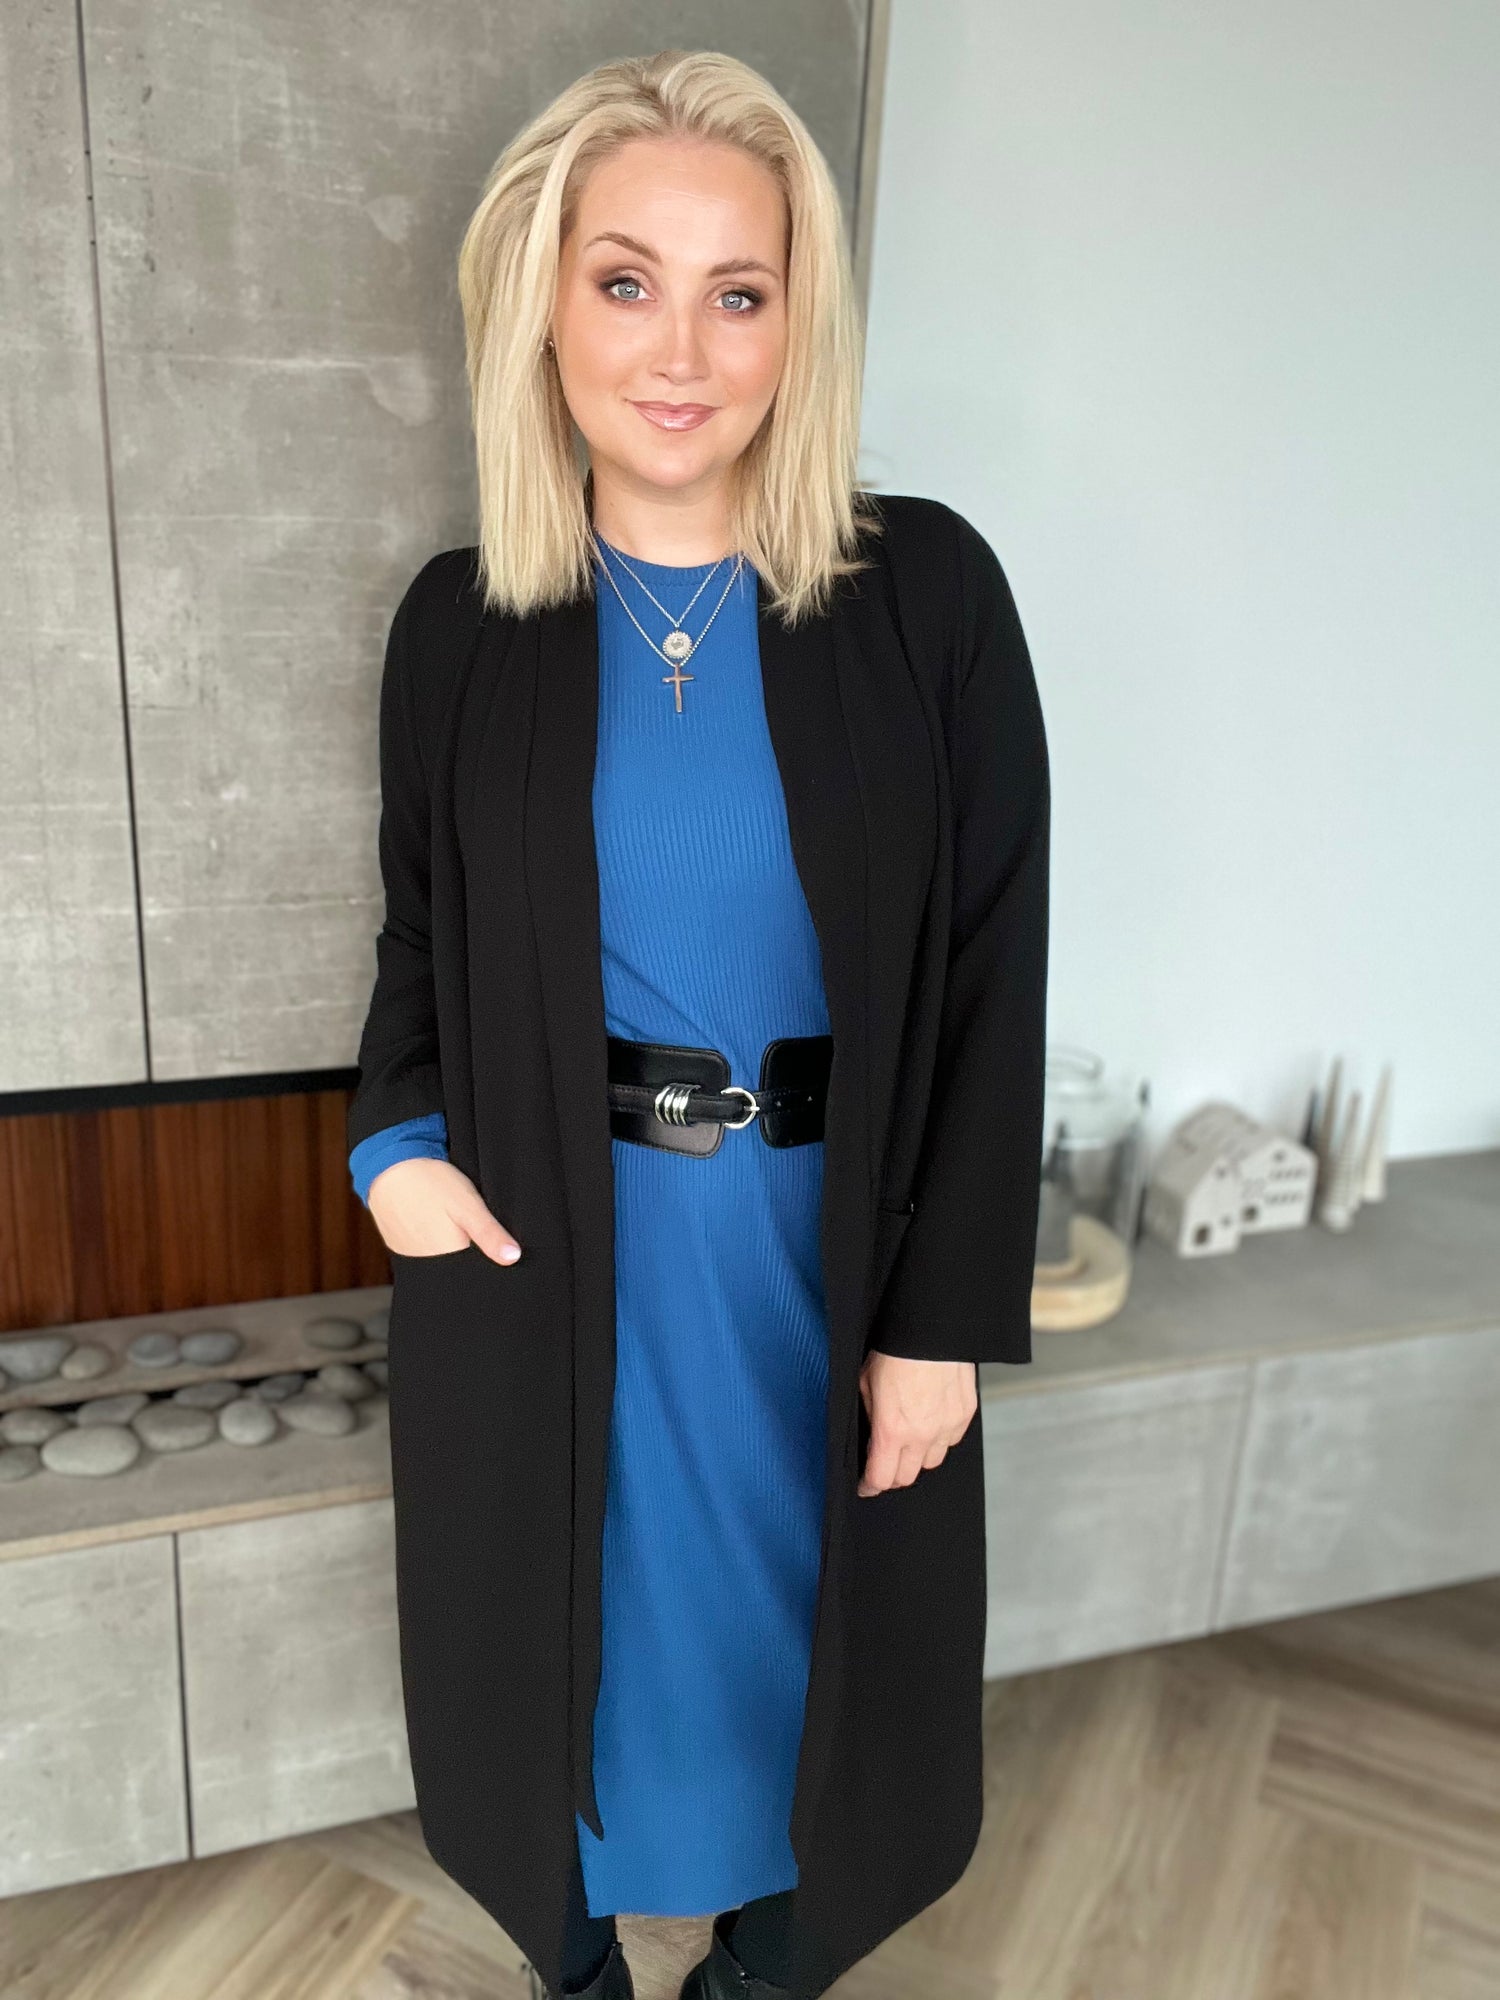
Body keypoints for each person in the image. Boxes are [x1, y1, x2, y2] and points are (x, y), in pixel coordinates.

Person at [346, 47, 1050, 2000]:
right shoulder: (460, 625)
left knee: (828, 1721)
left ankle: (751, 1978)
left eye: (740, 292)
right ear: (543, 305)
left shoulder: (928, 596)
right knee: (546, 1709)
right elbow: (415, 935)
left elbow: (996, 970)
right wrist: (394, 1147)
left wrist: (941, 1323)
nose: (680, 350)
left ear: (799, 326)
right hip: (548, 1264)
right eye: (625, 281)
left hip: (826, 1268)